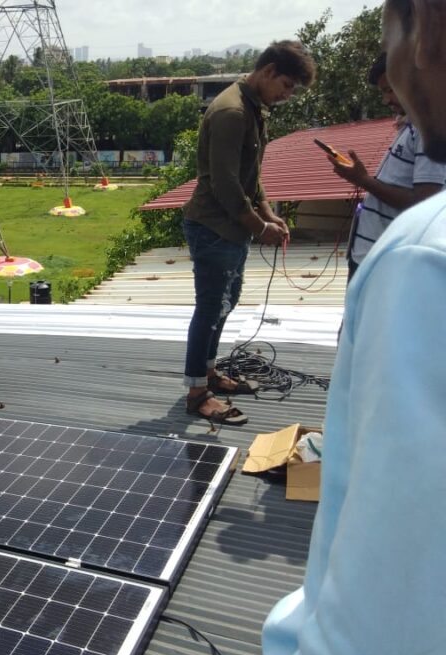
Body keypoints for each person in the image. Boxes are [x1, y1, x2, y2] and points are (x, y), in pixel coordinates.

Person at [211, 1, 446, 655]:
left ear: (428, 32)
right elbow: (223, 183)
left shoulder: (424, 261)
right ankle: (198, 379)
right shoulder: (229, 112)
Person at [182, 41, 316, 425]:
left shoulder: (254, 108)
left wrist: (270, 216)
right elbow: (225, 184)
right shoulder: (231, 112)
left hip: (232, 229)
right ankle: (196, 393)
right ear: (269, 70)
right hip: (212, 226)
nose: (287, 96)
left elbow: (250, 177)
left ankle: (207, 373)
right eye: (287, 85)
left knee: (226, 303)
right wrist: (260, 228)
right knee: (209, 309)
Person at [329, 51, 446, 281]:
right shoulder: (413, 124)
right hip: (372, 257)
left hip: (387, 264)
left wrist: (364, 181)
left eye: (390, 89)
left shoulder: (430, 129)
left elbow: (424, 200)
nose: (386, 100)